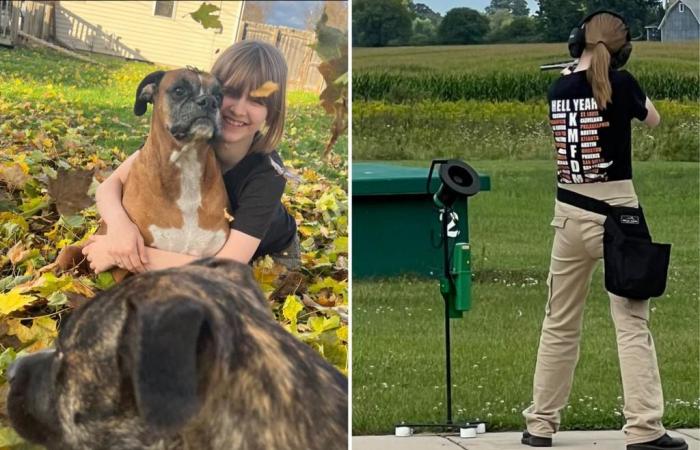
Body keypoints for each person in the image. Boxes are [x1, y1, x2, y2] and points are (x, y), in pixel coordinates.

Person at [521, 12, 687, 450]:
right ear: (618, 51)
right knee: (632, 325)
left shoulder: (557, 87)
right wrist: (621, 80)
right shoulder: (623, 84)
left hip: (568, 215)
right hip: (619, 217)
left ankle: (540, 424)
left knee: (558, 323)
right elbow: (653, 120)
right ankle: (644, 429)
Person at [82, 40, 300, 274]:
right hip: (211, 246)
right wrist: (119, 230)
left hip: (267, 252)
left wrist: (120, 255)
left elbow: (226, 268)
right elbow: (109, 185)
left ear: (271, 112)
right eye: (230, 93)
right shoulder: (192, 133)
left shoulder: (268, 174)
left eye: (257, 101)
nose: (238, 109)